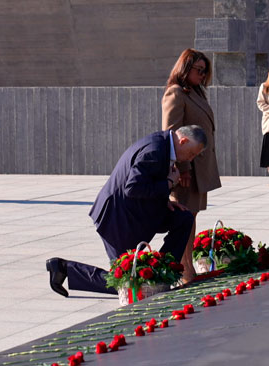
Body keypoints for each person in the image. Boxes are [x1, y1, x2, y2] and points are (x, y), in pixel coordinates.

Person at [45, 126, 206, 297]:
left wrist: (165, 201)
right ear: (183, 141)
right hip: (117, 219)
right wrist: (168, 183)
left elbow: (146, 180)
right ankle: (64, 269)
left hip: (136, 213)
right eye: (192, 154)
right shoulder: (156, 150)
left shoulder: (164, 145)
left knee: (183, 218)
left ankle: (163, 271)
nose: (191, 159)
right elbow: (133, 187)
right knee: (127, 284)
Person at [161, 48, 222, 282]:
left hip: (199, 168)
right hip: (188, 170)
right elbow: (171, 134)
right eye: (199, 70)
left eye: (205, 71)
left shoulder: (194, 92)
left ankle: (188, 268)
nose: (202, 75)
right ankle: (185, 271)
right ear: (185, 68)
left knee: (192, 216)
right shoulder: (175, 93)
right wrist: (183, 169)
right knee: (186, 218)